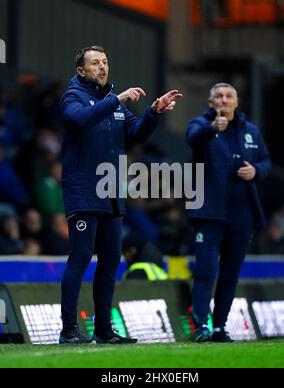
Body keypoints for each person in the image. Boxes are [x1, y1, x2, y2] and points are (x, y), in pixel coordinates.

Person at [59, 45, 182, 344]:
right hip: (84, 190)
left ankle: (103, 329)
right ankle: (69, 330)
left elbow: (137, 133)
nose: (102, 67)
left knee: (112, 259)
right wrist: (117, 99)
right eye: (95, 63)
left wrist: (153, 112)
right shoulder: (72, 96)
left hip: (111, 193)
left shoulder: (113, 103)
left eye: (105, 62)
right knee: (81, 257)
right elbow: (79, 120)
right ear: (81, 71)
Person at [186, 82, 271, 342]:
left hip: (242, 214)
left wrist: (257, 171)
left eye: (229, 96)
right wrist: (212, 129)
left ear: (236, 101)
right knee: (205, 271)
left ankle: (220, 326)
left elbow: (266, 161)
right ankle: (201, 325)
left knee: (230, 273)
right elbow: (193, 139)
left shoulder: (250, 131)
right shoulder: (201, 125)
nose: (223, 100)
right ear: (211, 102)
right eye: (218, 96)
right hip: (209, 213)